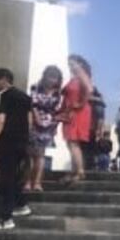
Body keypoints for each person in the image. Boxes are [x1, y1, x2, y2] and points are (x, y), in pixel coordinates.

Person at [0, 68, 33, 230]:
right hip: (22, 141)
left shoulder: (2, 95)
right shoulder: (25, 96)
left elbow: (0, 119)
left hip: (7, 141)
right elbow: (30, 120)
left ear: (4, 79)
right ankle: (21, 204)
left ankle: (6, 218)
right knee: (14, 176)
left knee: (6, 178)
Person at [25, 66, 62, 192]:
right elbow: (33, 105)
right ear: (45, 76)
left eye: (55, 78)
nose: (53, 80)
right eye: (51, 77)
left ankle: (37, 182)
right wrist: (36, 119)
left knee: (41, 154)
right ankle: (27, 181)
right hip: (35, 123)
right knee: (30, 154)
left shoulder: (58, 93)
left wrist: (55, 125)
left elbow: (58, 110)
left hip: (49, 124)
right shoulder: (36, 88)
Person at [60, 54, 93, 183]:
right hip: (72, 111)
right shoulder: (75, 76)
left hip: (78, 111)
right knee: (71, 142)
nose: (70, 66)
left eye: (72, 64)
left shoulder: (80, 73)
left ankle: (79, 171)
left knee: (73, 142)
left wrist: (80, 103)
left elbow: (89, 89)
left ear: (80, 64)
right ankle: (75, 171)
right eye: (69, 64)